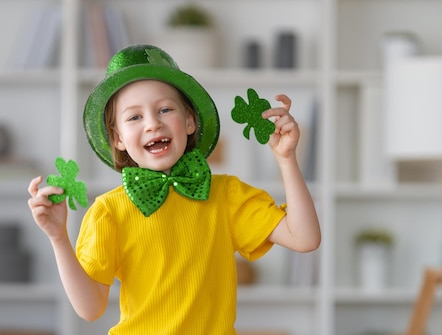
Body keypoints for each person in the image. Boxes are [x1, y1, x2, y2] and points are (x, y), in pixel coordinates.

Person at [28, 44, 320, 334]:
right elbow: (89, 309)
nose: (153, 124)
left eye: (165, 109)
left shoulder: (226, 195)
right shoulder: (108, 211)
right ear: (118, 138)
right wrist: (58, 238)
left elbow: (305, 238)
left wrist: (286, 159)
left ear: (190, 121)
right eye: (134, 117)